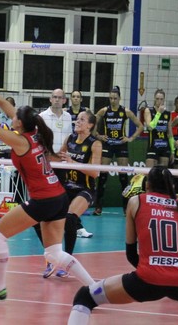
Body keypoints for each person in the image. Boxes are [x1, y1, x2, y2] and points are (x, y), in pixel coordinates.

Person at [0, 80, 95, 300]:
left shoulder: (20, 142)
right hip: (58, 196)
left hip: (44, 200)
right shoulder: (35, 131)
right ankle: (95, 288)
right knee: (54, 253)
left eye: (14, 117)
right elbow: (0, 102)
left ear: (19, 123)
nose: (11, 118)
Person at [67, 166, 178, 325]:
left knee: (85, 296)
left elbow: (131, 253)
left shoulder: (136, 201)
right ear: (172, 186)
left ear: (147, 185)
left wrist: (152, 272)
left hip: (147, 279)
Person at [39, 111, 102, 278]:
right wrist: (42, 151)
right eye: (77, 119)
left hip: (85, 189)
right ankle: (52, 258)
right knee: (42, 216)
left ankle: (66, 263)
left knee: (70, 218)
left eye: (82, 119)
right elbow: (58, 158)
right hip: (67, 187)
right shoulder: (70, 139)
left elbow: (95, 173)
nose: (77, 121)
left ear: (90, 125)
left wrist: (73, 162)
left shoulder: (95, 144)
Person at [93, 86, 144, 215]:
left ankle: (126, 206)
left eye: (115, 98)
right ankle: (98, 206)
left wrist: (131, 138)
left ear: (119, 98)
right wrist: (98, 136)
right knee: (103, 176)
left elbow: (140, 126)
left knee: (123, 176)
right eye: (110, 98)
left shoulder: (125, 111)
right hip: (108, 144)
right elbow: (92, 123)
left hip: (121, 145)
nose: (113, 100)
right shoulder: (104, 111)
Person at [143, 89, 173, 168]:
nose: (159, 101)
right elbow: (150, 127)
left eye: (161, 99)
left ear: (164, 100)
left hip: (164, 146)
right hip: (153, 146)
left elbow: (170, 133)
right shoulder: (148, 110)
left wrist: (173, 151)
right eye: (157, 99)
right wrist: (159, 113)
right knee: (150, 174)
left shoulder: (168, 114)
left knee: (162, 175)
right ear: (154, 99)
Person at [40, 88, 73, 153]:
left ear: (64, 100)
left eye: (60, 97)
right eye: (55, 97)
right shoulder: (42, 116)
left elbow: (69, 137)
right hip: (47, 155)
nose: (57, 100)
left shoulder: (68, 116)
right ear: (50, 99)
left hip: (63, 156)